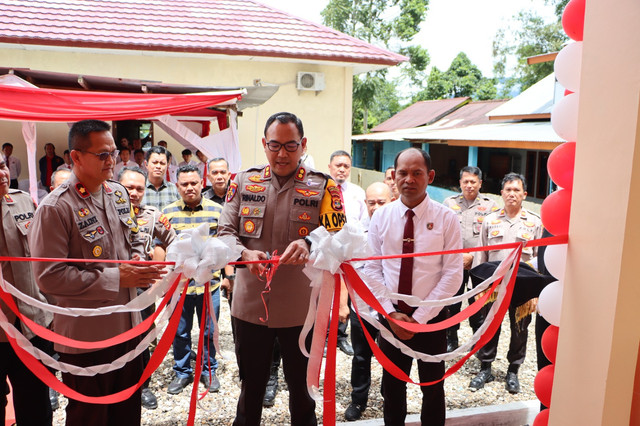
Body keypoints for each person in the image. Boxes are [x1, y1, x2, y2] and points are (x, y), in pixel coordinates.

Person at [28, 119, 164, 426]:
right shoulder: (56, 208)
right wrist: (118, 278)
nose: (112, 161)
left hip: (128, 328)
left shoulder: (116, 194)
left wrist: (141, 265)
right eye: (102, 154)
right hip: (88, 340)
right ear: (76, 157)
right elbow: (48, 277)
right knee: (90, 417)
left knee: (127, 414)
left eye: (113, 152)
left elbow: (127, 246)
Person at [218, 111, 346, 426]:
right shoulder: (244, 181)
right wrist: (244, 254)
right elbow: (224, 234)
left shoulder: (323, 187)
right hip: (250, 307)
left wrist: (310, 245)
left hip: (301, 310)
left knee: (303, 397)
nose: (282, 154)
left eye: (290, 146)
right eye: (275, 145)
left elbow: (341, 236)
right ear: (264, 144)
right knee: (251, 393)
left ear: (303, 145)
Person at [364, 147, 462, 426]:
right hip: (391, 318)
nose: (409, 179)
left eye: (417, 173)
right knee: (392, 388)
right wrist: (391, 315)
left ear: (429, 176)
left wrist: (418, 320)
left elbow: (452, 274)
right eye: (403, 173)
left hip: (431, 320)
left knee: (433, 387)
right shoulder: (381, 217)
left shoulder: (446, 218)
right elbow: (372, 269)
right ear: (393, 177)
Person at [469, 172, 543, 394]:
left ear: (524, 194)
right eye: (508, 190)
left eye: (516, 190)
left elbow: (539, 257)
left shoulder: (534, 222)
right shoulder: (490, 221)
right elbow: (480, 256)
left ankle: (513, 371)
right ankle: (485, 367)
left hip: (523, 286)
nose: (512, 194)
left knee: (520, 329)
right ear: (501, 193)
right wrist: (478, 287)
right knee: (489, 326)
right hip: (494, 285)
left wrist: (537, 290)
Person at [0, 153, 54, 425]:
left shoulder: (21, 200)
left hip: (31, 325)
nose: (1, 174)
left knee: (35, 404)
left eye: (1, 166)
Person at [162, 164, 224, 395]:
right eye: (184, 184)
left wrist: (227, 277)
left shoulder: (217, 211)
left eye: (194, 183)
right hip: (179, 287)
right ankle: (182, 373)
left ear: (201, 183)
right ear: (177, 186)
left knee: (209, 331)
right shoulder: (167, 214)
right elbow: (163, 248)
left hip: (210, 285)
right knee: (179, 331)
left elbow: (225, 246)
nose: (190, 188)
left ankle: (209, 370)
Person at [119, 166, 176, 409]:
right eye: (128, 187)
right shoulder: (103, 213)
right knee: (115, 338)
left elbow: (175, 240)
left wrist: (166, 271)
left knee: (142, 338)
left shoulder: (152, 215)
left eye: (139, 188)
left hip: (142, 290)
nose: (134, 193)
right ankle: (118, 383)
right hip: (111, 288)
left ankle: (143, 386)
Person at [344, 181, 393, 421]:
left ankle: (390, 397)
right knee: (361, 356)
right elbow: (344, 270)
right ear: (365, 203)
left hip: (392, 307)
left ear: (392, 201)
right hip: (361, 307)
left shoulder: (399, 229)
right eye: (371, 202)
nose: (375, 207)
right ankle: (358, 400)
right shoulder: (354, 232)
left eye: (381, 202)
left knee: (392, 355)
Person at [442, 166, 498, 352]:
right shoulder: (448, 204)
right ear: (460, 183)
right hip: (453, 262)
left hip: (479, 262)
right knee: (452, 301)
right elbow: (441, 234)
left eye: (473, 181)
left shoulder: (491, 206)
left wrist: (473, 256)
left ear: (480, 183)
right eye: (465, 181)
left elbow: (493, 236)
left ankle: (477, 339)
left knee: (478, 301)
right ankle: (451, 337)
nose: (469, 185)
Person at [327, 150, 368, 357]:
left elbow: (364, 222)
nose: (342, 169)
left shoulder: (358, 193)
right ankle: (325, 336)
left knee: (348, 293)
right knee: (325, 291)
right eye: (338, 165)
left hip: (351, 251)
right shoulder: (321, 189)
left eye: (345, 166)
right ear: (330, 167)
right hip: (327, 248)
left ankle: (340, 337)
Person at [143, 146, 179, 211]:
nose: (158, 166)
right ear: (146, 164)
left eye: (162, 163)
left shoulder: (174, 189)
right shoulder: (139, 188)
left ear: (167, 165)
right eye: (154, 162)